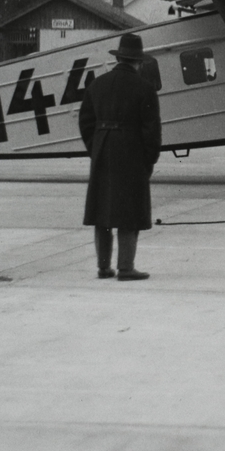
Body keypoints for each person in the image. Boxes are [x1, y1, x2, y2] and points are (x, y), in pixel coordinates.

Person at [78, 32, 162, 281]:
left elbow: (85, 123)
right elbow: (151, 131)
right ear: (138, 62)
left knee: (102, 211)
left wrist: (96, 147)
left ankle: (104, 267)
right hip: (131, 151)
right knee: (129, 211)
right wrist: (149, 160)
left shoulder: (97, 84)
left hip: (103, 149)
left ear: (119, 58)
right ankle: (126, 267)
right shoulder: (145, 89)